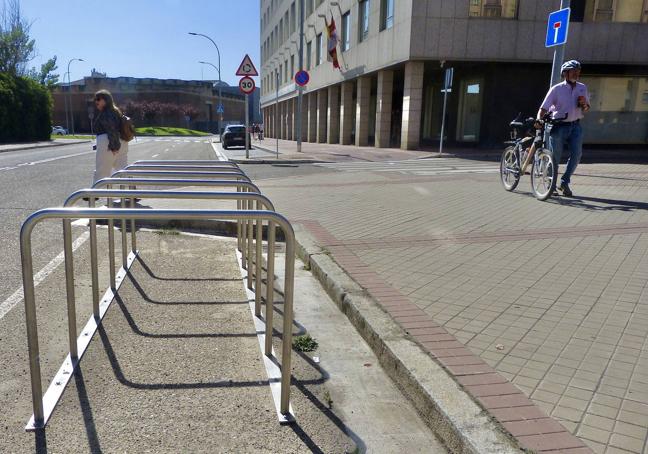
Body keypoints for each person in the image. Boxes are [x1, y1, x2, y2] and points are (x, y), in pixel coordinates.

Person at [537, 60, 590, 197]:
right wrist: (539, 119)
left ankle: (564, 182)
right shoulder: (557, 89)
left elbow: (587, 108)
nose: (576, 74)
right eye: (573, 71)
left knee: (577, 155)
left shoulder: (582, 87)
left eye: (578, 71)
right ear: (565, 73)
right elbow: (543, 108)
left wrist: (584, 105)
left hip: (575, 126)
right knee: (554, 157)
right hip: (558, 126)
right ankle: (551, 184)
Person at [92, 89, 128, 184]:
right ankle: (131, 192)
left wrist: (114, 146)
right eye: (95, 99)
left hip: (109, 143)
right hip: (122, 142)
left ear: (106, 100)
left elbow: (111, 129)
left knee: (102, 170)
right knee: (122, 169)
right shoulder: (116, 111)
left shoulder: (106, 113)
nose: (96, 101)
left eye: (98, 99)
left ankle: (94, 193)